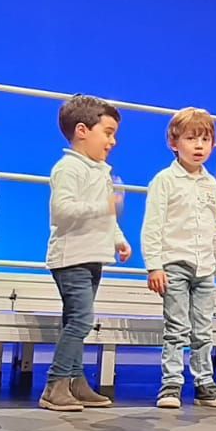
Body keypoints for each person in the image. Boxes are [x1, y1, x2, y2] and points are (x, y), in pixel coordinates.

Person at [41, 94, 131, 412]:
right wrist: (104, 206)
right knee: (81, 319)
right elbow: (62, 211)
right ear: (82, 130)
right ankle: (55, 385)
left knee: (74, 320)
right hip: (72, 257)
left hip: (93, 255)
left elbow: (107, 216)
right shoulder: (68, 168)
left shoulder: (101, 171)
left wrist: (118, 238)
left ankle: (75, 382)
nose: (112, 141)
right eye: (107, 132)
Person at [143, 107, 216, 409]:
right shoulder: (164, 181)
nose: (198, 146)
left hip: (205, 269)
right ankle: (171, 384)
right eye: (191, 138)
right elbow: (153, 225)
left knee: (202, 328)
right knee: (176, 327)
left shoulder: (212, 185)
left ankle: (205, 382)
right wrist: (154, 265)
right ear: (174, 142)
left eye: (205, 139)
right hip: (174, 265)